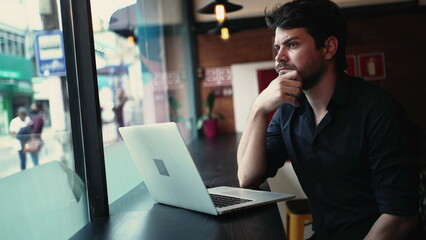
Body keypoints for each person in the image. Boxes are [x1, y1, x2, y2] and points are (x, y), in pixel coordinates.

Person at [237, 0, 422, 239]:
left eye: (291, 44)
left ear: (329, 48)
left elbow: (400, 218)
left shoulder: (379, 111)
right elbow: (247, 178)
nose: (279, 57)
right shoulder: (288, 111)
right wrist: (258, 109)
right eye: (277, 47)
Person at [27, 102, 45, 167]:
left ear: (37, 108)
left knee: (35, 160)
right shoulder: (37, 117)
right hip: (35, 139)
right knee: (35, 159)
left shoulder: (39, 117)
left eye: (33, 106)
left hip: (35, 140)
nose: (32, 108)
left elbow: (36, 129)